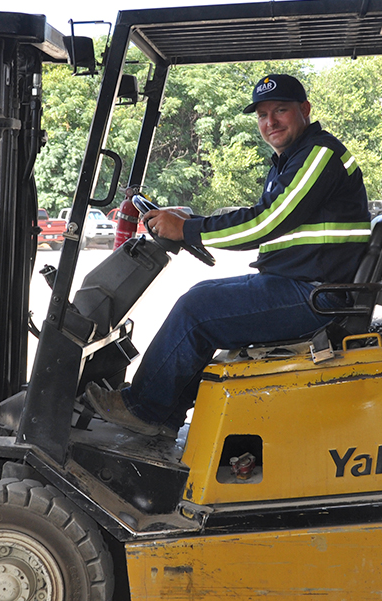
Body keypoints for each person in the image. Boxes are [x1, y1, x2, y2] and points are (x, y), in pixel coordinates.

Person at [85, 73, 371, 438]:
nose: (271, 122)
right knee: (205, 300)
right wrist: (193, 221)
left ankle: (146, 410)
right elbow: (264, 215)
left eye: (280, 111)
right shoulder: (289, 160)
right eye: (263, 115)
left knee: (198, 308)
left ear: (305, 110)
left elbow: (266, 223)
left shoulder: (319, 155)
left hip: (316, 294)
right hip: (298, 284)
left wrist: (187, 230)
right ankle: (162, 415)